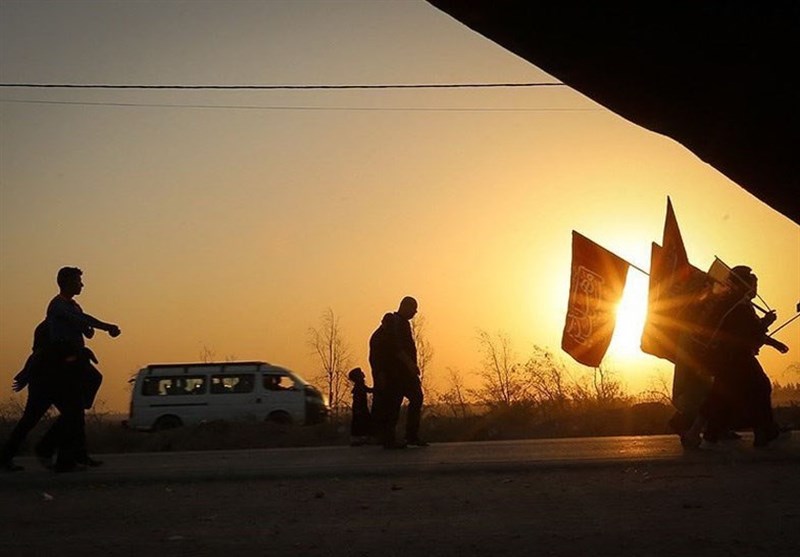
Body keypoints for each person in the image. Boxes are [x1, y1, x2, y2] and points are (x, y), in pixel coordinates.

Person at [1, 267, 121, 473]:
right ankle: (59, 456)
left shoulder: (73, 307)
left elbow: (83, 325)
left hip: (66, 366)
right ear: (66, 282)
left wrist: (90, 330)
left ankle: (69, 456)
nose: (81, 285)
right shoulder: (57, 307)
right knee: (63, 412)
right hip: (55, 370)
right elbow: (43, 349)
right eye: (78, 281)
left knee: (73, 410)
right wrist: (105, 327)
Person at [702, 265, 789, 448]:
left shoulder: (733, 303)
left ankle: (711, 433)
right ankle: (764, 431)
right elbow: (749, 332)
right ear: (744, 284)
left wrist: (774, 343)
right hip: (736, 357)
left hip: (727, 357)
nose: (755, 289)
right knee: (761, 387)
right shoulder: (737, 306)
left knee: (723, 396)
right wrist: (766, 322)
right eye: (753, 284)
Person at [368, 296, 427, 449]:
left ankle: (410, 435)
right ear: (405, 307)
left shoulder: (402, 324)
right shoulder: (394, 325)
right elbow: (397, 349)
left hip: (404, 373)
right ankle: (390, 438)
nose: (415, 312)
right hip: (396, 374)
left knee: (415, 398)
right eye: (413, 309)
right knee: (393, 404)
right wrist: (410, 365)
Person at [347, 367, 373, 446]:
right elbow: (360, 397)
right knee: (361, 422)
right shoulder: (359, 386)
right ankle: (359, 438)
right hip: (360, 408)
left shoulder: (360, 386)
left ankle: (360, 438)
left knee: (362, 422)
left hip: (360, 407)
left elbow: (369, 390)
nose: (363, 374)